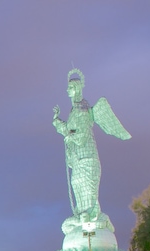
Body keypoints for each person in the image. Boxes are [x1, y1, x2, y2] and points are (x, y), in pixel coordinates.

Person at [52, 69, 130, 234]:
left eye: (70, 88)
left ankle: (93, 219)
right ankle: (84, 217)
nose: (67, 91)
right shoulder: (74, 111)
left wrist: (69, 137)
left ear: (77, 89)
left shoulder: (83, 109)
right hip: (78, 159)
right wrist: (57, 121)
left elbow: (81, 137)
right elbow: (69, 130)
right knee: (76, 184)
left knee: (87, 189)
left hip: (87, 157)